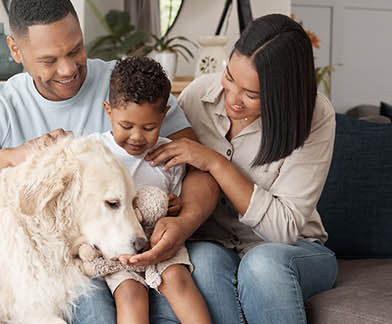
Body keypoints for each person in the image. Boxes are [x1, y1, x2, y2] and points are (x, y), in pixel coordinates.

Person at [0, 0, 222, 322]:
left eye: (74, 50)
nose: (67, 69)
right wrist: (15, 157)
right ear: (15, 50)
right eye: (49, 60)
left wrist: (184, 223)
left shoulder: (128, 88)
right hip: (62, 266)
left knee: (207, 267)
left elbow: (199, 168)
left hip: (145, 243)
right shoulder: (2, 106)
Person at [144, 14, 339, 324]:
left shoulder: (314, 116)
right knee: (202, 261)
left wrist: (214, 162)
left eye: (251, 94)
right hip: (216, 244)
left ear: (282, 94)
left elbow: (283, 229)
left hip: (292, 251)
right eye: (229, 77)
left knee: (262, 264)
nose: (232, 99)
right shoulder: (197, 97)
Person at [85, 56, 210, 324]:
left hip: (161, 241)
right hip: (119, 247)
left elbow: (177, 204)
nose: (137, 137)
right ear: (109, 111)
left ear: (164, 115)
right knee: (130, 294)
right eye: (126, 126)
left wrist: (176, 207)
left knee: (178, 280)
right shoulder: (94, 152)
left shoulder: (169, 155)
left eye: (149, 127)